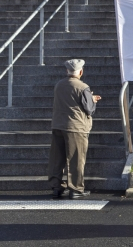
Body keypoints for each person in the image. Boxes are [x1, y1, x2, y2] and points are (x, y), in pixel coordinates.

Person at [48, 59, 101, 199]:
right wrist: (93, 100)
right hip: (76, 127)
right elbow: (89, 109)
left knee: (57, 157)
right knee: (76, 158)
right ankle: (76, 188)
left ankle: (56, 186)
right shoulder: (83, 87)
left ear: (67, 71)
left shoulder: (59, 85)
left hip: (58, 125)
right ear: (81, 72)